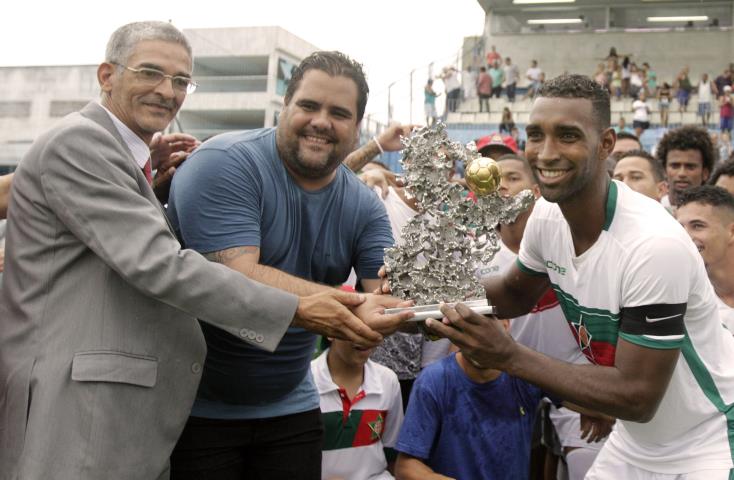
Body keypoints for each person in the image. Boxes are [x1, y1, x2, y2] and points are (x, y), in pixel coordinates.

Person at [0, 22, 388, 480]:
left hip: (125, 403)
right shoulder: (80, 142)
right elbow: (162, 265)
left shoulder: (127, 156)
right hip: (78, 405)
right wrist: (298, 308)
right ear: (107, 75)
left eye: (181, 80)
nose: (167, 91)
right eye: (149, 73)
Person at [425, 74, 734, 478]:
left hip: (706, 439)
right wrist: (427, 294)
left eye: (567, 135)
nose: (546, 153)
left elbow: (637, 396)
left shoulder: (654, 245)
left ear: (605, 144)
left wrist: (508, 355)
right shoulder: (548, 216)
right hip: (637, 440)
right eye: (536, 135)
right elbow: (514, 294)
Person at [166, 51, 412, 480]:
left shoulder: (365, 207)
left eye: (339, 113)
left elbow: (384, 297)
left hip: (292, 403)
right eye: (309, 106)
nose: (322, 121)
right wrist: (354, 304)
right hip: (194, 405)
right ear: (284, 106)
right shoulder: (224, 162)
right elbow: (236, 275)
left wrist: (439, 306)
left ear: (357, 128)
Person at [476, 153, 612, 480]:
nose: (502, 187)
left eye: (511, 177)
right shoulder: (476, 252)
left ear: (536, 191)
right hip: (505, 385)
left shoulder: (571, 242)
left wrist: (596, 393)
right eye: (495, 180)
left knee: (584, 468)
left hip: (571, 384)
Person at [393, 323, 552, 480]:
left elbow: (574, 397)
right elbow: (406, 466)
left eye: (485, 322)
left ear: (505, 325)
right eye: (470, 325)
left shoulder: (524, 374)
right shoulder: (434, 380)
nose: (478, 338)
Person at [312, 337, 404, 480]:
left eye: (374, 326)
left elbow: (392, 450)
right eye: (355, 322)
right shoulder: (305, 382)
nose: (365, 335)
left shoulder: (387, 380)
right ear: (330, 332)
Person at [677, 186, 734, 332]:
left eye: (697, 226)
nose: (684, 237)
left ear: (732, 232)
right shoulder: (679, 298)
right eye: (679, 228)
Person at [656, 125, 715, 209]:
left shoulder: (716, 214)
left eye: (690, 167)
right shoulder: (650, 211)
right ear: (664, 170)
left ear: (705, 173)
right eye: (675, 166)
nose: (682, 173)